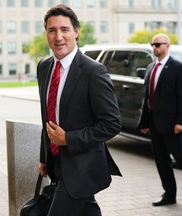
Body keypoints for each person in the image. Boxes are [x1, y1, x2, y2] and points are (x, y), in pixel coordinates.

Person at [37, 4, 122, 216]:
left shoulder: (94, 71)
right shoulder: (44, 67)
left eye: (64, 29)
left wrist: (69, 139)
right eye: (52, 30)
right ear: (46, 34)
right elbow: (47, 115)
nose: (58, 36)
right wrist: (44, 156)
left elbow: (112, 124)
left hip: (82, 167)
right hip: (57, 163)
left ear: (76, 32)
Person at [137, 33, 182, 207]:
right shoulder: (151, 67)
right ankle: (169, 194)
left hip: (173, 124)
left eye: (158, 44)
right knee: (161, 161)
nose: (155, 47)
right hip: (154, 123)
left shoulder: (179, 67)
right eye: (153, 44)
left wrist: (181, 122)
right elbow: (147, 97)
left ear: (168, 45)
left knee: (181, 158)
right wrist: (144, 123)